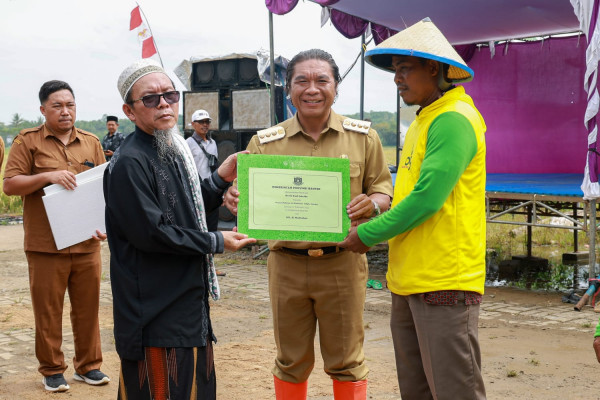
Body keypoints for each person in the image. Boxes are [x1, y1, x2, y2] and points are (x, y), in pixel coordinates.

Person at [225, 49, 393, 399]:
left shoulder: (364, 138)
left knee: (347, 361)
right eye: (301, 80)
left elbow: (383, 192)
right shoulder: (264, 143)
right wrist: (235, 199)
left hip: (342, 264)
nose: (312, 89)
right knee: (290, 360)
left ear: (336, 87)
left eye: (322, 80)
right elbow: (244, 196)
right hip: (286, 265)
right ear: (288, 89)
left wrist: (372, 205)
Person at [339, 18, 487, 400]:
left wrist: (366, 234)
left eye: (405, 69)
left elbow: (427, 199)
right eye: (395, 71)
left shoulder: (453, 120)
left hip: (443, 281)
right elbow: (408, 197)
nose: (396, 79)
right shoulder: (426, 119)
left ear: (433, 69)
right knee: (417, 390)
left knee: (455, 391)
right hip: (411, 279)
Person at [105, 59, 256, 400]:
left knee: (193, 388)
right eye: (150, 99)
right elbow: (153, 232)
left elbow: (187, 208)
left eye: (170, 95)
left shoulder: (169, 147)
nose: (163, 104)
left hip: (185, 299)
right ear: (130, 110)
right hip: (155, 308)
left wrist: (220, 179)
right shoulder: (131, 161)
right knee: (162, 389)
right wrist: (216, 240)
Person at [3, 80, 109, 392]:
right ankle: (52, 369)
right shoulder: (28, 141)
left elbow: (103, 188)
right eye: (57, 106)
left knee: (88, 308)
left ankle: (88, 366)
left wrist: (105, 224)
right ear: (43, 110)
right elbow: (10, 184)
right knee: (48, 311)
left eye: (70, 105)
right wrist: (47, 176)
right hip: (45, 245)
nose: (65, 111)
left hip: (87, 243)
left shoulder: (91, 142)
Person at [186, 109, 220, 232]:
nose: (204, 125)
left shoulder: (213, 143)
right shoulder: (188, 143)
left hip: (211, 189)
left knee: (212, 223)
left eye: (207, 122)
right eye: (200, 122)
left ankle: (211, 250)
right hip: (196, 189)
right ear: (193, 124)